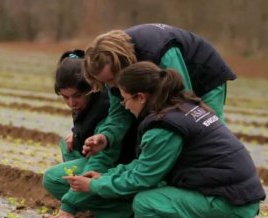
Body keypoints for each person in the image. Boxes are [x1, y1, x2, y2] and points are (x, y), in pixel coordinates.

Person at [64, 61, 265, 218]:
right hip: (238, 197)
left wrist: (94, 186)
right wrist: (105, 177)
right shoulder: (183, 106)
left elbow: (142, 177)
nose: (125, 106)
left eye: (125, 99)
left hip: (229, 204)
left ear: (141, 97)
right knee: (149, 205)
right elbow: (144, 164)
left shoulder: (164, 126)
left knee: (145, 206)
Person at [82, 23, 236, 157]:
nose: (112, 85)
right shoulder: (114, 75)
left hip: (204, 77)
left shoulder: (158, 50)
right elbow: (119, 113)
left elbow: (182, 100)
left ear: (123, 63)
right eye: (105, 82)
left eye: (112, 79)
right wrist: (106, 136)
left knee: (206, 132)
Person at [42, 50, 134, 218]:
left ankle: (120, 210)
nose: (71, 103)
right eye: (65, 97)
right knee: (67, 143)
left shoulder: (107, 110)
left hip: (117, 163)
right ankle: (91, 201)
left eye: (77, 96)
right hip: (101, 159)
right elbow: (84, 127)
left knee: (52, 179)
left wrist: (67, 206)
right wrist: (76, 135)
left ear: (92, 89)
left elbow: (102, 159)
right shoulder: (89, 106)